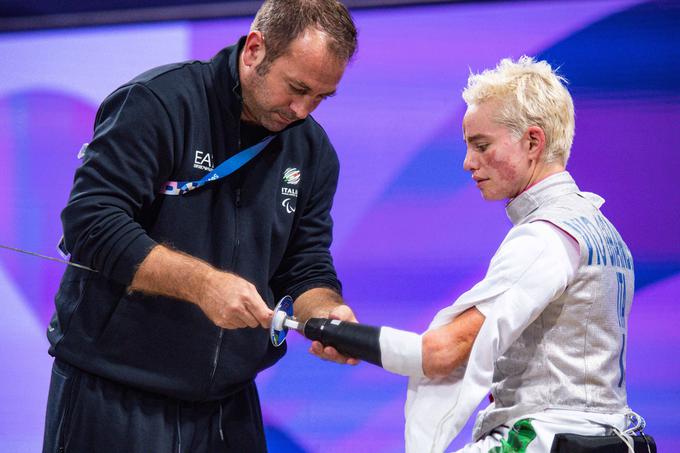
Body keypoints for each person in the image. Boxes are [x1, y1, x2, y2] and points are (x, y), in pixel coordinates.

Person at [42, 1, 358, 452]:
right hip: (113, 391)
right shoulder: (158, 103)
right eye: (296, 88)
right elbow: (91, 223)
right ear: (254, 50)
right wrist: (203, 285)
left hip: (228, 405)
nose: (303, 110)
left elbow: (304, 264)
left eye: (321, 98)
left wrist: (324, 312)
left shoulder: (312, 152)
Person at [369, 57, 634, 452]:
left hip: (547, 436)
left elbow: (442, 353)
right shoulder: (601, 230)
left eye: (481, 145)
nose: (468, 163)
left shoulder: (544, 237)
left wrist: (331, 332)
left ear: (532, 142)